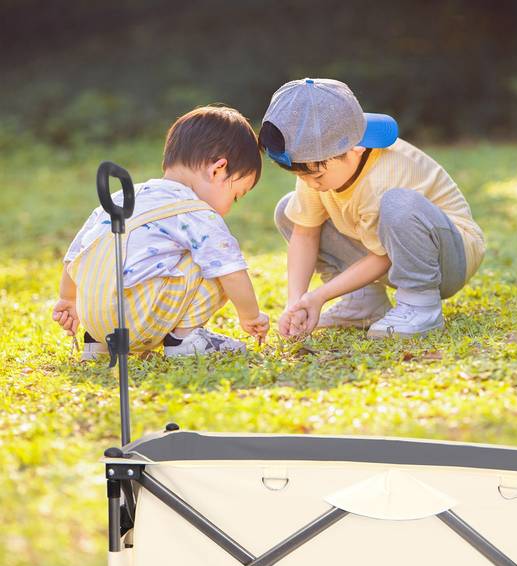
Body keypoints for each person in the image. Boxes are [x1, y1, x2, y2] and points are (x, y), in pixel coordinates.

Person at [260, 78, 485, 339]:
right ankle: (363, 301)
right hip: (390, 252)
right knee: (288, 211)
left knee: (398, 204)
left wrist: (319, 297)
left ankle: (420, 306)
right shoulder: (318, 163)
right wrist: (296, 303)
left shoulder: (383, 177)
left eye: (317, 177)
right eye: (302, 175)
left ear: (355, 149)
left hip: (448, 259)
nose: (310, 184)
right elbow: (304, 234)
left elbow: (383, 257)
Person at [53, 105, 269, 359]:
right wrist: (251, 315)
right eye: (236, 195)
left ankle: (96, 345)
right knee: (218, 260)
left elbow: (75, 256)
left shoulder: (120, 197)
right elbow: (231, 271)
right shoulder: (196, 211)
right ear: (217, 170)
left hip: (95, 323)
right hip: (138, 323)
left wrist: (67, 300)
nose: (230, 208)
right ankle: (183, 340)